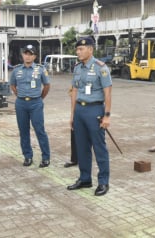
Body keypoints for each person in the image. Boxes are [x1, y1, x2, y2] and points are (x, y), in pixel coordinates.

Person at [67, 36, 113, 197]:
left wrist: (107, 116)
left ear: (90, 49)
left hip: (95, 111)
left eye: (81, 49)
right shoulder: (78, 68)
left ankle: (103, 182)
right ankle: (85, 178)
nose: (78, 52)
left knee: (99, 147)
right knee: (82, 147)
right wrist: (72, 115)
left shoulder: (101, 67)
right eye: (77, 49)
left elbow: (108, 93)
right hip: (80, 111)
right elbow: (74, 91)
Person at [9, 44, 51, 167]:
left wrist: (39, 98)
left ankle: (45, 157)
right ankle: (27, 156)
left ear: (34, 56)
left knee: (40, 130)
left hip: (35, 103)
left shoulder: (41, 69)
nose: (27, 56)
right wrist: (20, 95)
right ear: (22, 55)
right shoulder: (16, 70)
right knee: (23, 131)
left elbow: (47, 85)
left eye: (30, 54)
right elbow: (12, 85)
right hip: (21, 103)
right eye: (25, 53)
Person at [64, 87, 78, 168]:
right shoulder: (77, 75)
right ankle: (74, 159)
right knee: (74, 132)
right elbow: (72, 93)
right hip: (78, 107)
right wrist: (72, 115)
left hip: (93, 106)